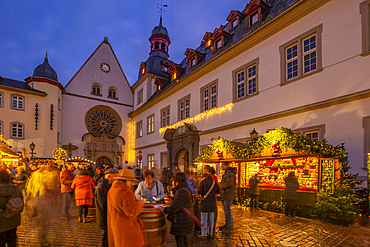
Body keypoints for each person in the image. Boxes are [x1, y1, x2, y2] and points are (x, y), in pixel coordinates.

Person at [107, 169, 145, 247]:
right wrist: (140, 203)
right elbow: (132, 212)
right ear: (126, 181)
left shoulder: (113, 189)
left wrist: (134, 200)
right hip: (127, 230)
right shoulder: (126, 192)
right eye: (131, 181)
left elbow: (122, 205)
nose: (132, 184)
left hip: (117, 227)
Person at [160, 172, 193, 247]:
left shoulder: (181, 191)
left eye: (172, 181)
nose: (172, 183)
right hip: (185, 220)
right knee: (184, 240)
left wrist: (164, 209)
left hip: (181, 221)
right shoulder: (185, 189)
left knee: (180, 241)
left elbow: (176, 207)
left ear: (177, 182)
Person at [95, 168, 118, 247]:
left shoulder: (108, 185)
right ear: (109, 177)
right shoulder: (102, 187)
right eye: (115, 177)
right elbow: (103, 204)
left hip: (108, 214)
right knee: (106, 234)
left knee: (108, 234)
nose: (117, 179)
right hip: (105, 215)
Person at [0, 169, 23, 247]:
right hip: (13, 219)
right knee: (12, 240)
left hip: (1, 221)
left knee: (1, 242)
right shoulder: (15, 188)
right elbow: (21, 201)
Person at [197, 173, 220, 239]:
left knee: (204, 219)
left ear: (204, 177)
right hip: (212, 203)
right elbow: (218, 191)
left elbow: (199, 191)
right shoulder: (214, 183)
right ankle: (210, 233)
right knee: (211, 219)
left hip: (205, 203)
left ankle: (204, 234)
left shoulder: (203, 182)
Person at [218, 162, 236, 231]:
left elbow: (229, 183)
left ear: (226, 166)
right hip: (226, 194)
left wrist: (219, 187)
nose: (221, 167)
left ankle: (229, 225)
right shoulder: (227, 173)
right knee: (226, 210)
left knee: (227, 210)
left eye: (222, 165)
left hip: (228, 194)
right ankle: (227, 224)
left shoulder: (230, 174)